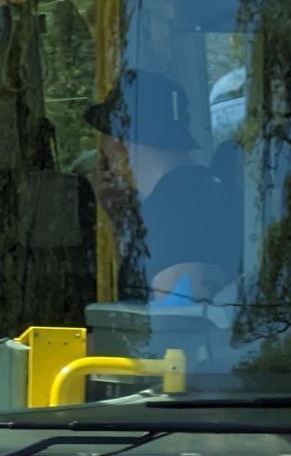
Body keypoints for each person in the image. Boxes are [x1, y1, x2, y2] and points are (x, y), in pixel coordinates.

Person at [85, 69, 238, 305]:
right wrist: (123, 221)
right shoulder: (195, 194)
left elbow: (175, 322)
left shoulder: (176, 210)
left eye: (106, 134)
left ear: (121, 141)